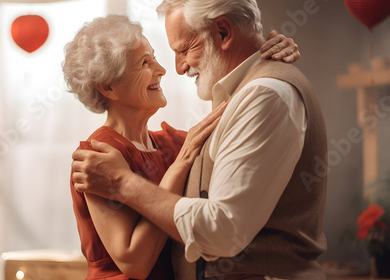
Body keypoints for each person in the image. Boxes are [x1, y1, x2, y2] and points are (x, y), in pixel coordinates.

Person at [65, 13, 302, 280]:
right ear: (108, 87)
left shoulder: (175, 142)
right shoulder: (97, 157)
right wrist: (179, 167)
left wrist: (265, 56)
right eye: (144, 63)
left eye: (154, 56)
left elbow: (240, 113)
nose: (162, 69)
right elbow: (135, 262)